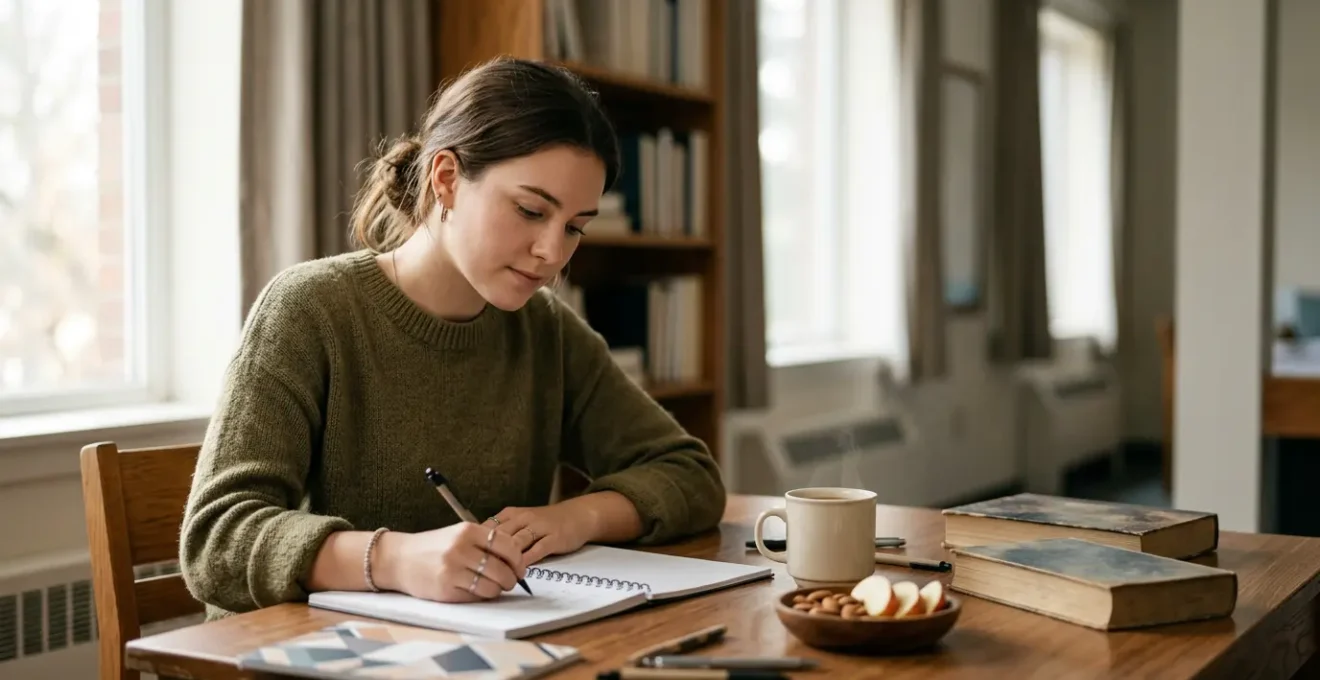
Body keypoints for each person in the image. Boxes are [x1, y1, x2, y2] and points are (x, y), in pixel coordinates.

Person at [178, 56, 727, 620]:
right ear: (446, 180)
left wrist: (573, 519)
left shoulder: (545, 330)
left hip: (476, 651)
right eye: (530, 210)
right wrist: (393, 559)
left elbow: (690, 475)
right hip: (310, 654)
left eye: (575, 228)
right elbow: (216, 541)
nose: (553, 253)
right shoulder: (310, 310)